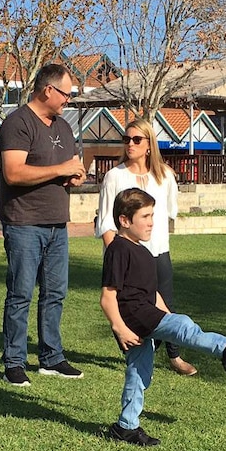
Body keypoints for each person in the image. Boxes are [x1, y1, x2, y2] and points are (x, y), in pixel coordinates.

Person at [100, 188, 226, 446]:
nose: (152, 222)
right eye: (145, 216)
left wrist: (168, 317)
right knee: (184, 326)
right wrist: (119, 327)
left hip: (145, 315)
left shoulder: (143, 251)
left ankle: (126, 427)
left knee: (139, 372)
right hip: (133, 317)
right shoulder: (118, 249)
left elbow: (152, 293)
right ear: (125, 220)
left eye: (152, 215)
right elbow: (108, 296)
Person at [0, 63, 87, 387]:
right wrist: (61, 167)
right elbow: (14, 173)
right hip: (24, 223)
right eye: (66, 94)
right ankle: (14, 362)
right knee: (20, 294)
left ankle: (51, 358)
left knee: (55, 294)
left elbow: (63, 168)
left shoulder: (62, 127)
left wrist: (73, 175)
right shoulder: (17, 124)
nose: (68, 101)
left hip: (56, 224)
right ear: (48, 90)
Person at [96, 118, 198, 376]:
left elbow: (169, 213)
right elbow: (107, 221)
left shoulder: (164, 176)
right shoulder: (114, 177)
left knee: (166, 305)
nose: (130, 144)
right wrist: (116, 253)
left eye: (136, 140)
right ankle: (135, 352)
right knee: (130, 308)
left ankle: (174, 356)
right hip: (127, 258)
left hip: (158, 252)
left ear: (149, 145)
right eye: (126, 139)